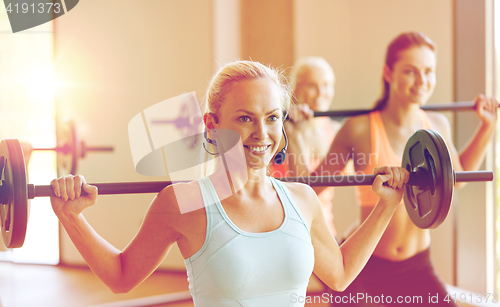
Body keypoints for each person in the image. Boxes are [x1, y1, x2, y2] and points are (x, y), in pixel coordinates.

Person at [50, 60, 410, 306]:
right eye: (244, 118)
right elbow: (121, 277)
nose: (262, 133)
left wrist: (387, 205)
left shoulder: (301, 199)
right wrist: (71, 218)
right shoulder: (183, 202)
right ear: (211, 123)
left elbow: (341, 273)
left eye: (272, 118)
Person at [311, 32, 497, 306]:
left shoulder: (437, 126)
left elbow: (456, 179)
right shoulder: (359, 128)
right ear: (388, 73)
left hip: (417, 265)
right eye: (411, 71)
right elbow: (313, 187)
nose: (422, 81)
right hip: (366, 266)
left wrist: (488, 127)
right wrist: (300, 128)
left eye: (428, 71)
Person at [271, 56, 340, 237]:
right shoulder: (279, 130)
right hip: (286, 229)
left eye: (326, 85)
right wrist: (291, 130)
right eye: (312, 85)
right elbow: (302, 189)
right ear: (296, 89)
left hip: (323, 229)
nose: (321, 92)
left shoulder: (334, 129)